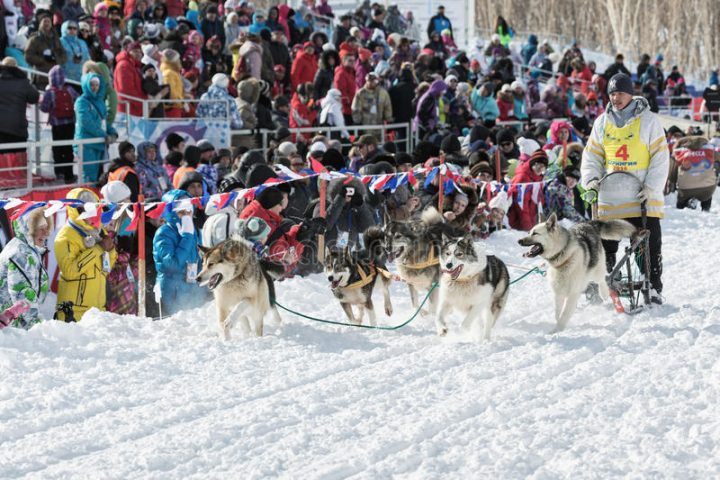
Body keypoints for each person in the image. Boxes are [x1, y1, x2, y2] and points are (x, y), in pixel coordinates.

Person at [581, 73, 669, 304]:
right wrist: (591, 180)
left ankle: (652, 287)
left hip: (641, 198)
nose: (616, 98)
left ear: (631, 94)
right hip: (610, 199)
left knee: (647, 246)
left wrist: (651, 187)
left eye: (620, 93)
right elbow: (592, 157)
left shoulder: (649, 121)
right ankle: (600, 283)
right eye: (612, 93)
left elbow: (660, 157)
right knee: (604, 245)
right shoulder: (602, 122)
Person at [55, 188, 117, 321]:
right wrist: (98, 249)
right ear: (75, 211)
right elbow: (70, 271)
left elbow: (105, 270)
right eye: (86, 211)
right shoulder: (65, 237)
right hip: (73, 311)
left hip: (97, 309)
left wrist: (111, 250)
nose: (91, 216)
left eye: (93, 211)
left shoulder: (98, 230)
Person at [153, 189, 205, 315]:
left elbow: (198, 260)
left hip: (191, 289)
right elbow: (171, 265)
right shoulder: (164, 233)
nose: (187, 215)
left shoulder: (194, 231)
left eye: (189, 211)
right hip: (171, 292)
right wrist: (186, 237)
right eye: (182, 212)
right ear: (171, 213)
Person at [0, 207, 52, 329]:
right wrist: (35, 328)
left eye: (47, 227)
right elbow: (23, 297)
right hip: (10, 328)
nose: (46, 233)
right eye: (40, 228)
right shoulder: (21, 254)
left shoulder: (23, 247)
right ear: (26, 229)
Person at [0, 57, 40, 183]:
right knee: (18, 155)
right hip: (17, 127)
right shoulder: (22, 81)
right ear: (16, 67)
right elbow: (34, 97)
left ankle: (4, 179)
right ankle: (18, 179)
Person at [40, 65, 79, 184]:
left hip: (57, 125)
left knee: (57, 148)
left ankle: (59, 173)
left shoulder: (50, 92)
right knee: (68, 149)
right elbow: (77, 99)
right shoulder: (70, 90)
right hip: (70, 124)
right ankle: (69, 176)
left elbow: (44, 108)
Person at [74, 73, 110, 183]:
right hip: (86, 144)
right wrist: (104, 134)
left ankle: (96, 198)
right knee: (89, 177)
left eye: (96, 85)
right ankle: (88, 198)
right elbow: (86, 122)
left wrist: (112, 131)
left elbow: (104, 121)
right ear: (86, 85)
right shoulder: (81, 102)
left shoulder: (100, 101)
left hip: (98, 143)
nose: (94, 87)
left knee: (99, 177)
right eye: (91, 85)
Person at [24, 11, 67, 89]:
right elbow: (28, 55)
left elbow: (64, 55)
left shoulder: (56, 39)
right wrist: (43, 60)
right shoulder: (35, 38)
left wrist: (55, 58)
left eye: (49, 21)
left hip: (55, 78)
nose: (47, 23)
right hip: (41, 77)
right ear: (40, 23)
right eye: (45, 21)